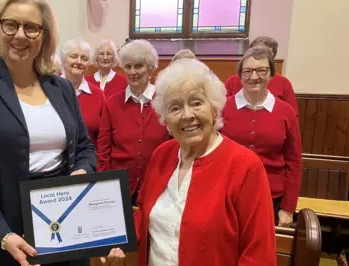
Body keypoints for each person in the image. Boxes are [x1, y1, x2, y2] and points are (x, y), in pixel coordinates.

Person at [0, 0, 122, 265]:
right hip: (2, 217)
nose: (20, 35)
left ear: (44, 36)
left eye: (31, 27)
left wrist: (83, 172)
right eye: (10, 25)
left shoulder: (61, 88)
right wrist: (2, 234)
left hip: (62, 215)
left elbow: (86, 148)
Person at [135, 59, 276, 265]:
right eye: (175, 108)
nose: (187, 115)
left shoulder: (245, 166)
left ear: (214, 108)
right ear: (165, 119)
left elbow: (259, 253)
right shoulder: (162, 155)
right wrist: (115, 238)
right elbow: (143, 213)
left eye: (196, 103)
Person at [220, 46, 302, 227]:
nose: (254, 77)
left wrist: (288, 207)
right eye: (247, 71)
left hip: (271, 198)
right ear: (240, 75)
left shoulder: (285, 112)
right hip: (227, 194)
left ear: (271, 74)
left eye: (261, 71)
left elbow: (294, 161)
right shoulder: (222, 108)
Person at [97, 39, 170, 205]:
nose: (132, 72)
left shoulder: (164, 102)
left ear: (150, 68)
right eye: (128, 66)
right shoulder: (112, 103)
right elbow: (103, 148)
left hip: (157, 184)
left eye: (138, 66)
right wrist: (103, 183)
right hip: (118, 185)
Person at [224, 36, 298, 114]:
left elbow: (292, 115)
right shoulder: (232, 81)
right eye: (255, 54)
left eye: (266, 56)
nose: (254, 77)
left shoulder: (284, 83)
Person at [60, 38, 105, 145]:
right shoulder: (51, 89)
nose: (79, 62)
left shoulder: (97, 94)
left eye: (84, 58)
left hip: (88, 158)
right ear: (63, 60)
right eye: (73, 56)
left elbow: (104, 135)